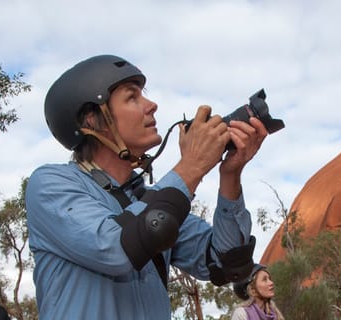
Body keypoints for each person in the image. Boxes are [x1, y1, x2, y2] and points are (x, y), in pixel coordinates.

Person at [26, 54, 268, 319]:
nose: (151, 105)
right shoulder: (50, 185)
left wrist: (230, 175)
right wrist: (192, 166)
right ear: (92, 119)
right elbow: (116, 247)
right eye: (132, 97)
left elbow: (228, 265)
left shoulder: (145, 200)